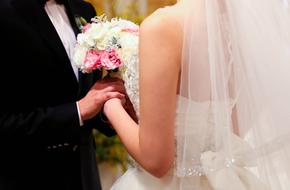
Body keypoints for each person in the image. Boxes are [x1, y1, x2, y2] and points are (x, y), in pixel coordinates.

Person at [103, 0, 290, 189]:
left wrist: (111, 106)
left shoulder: (162, 26)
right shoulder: (241, 31)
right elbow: (231, 128)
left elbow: (156, 161)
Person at [0, 0, 126, 190]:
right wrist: (78, 112)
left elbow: (86, 94)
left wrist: (111, 106)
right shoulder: (5, 13)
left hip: (85, 174)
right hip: (27, 177)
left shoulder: (84, 10)